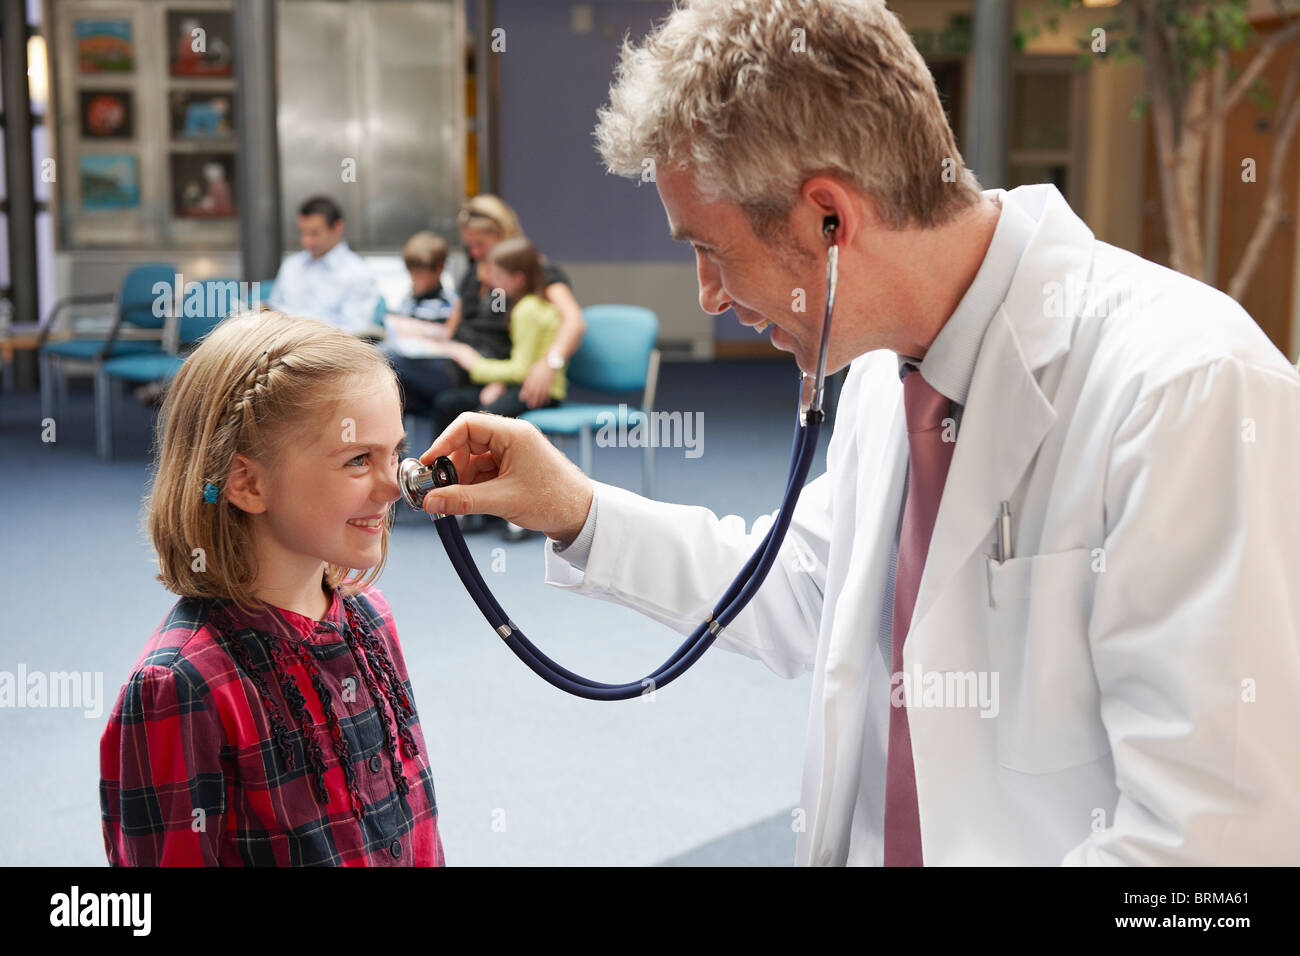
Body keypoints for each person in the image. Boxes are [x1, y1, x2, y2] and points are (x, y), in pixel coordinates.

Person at [414, 0, 1300, 866]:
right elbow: (805, 586)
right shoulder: (887, 362)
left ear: (828, 221)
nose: (709, 297)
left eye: (709, 249)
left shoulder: (1189, 389)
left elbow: (1216, 846)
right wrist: (576, 509)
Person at [100, 311, 446, 866]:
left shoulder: (369, 617)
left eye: (395, 453)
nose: (393, 486)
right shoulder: (179, 686)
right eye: (358, 459)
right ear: (247, 482)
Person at [390, 195, 585, 421]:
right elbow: (451, 330)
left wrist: (548, 364)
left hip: (487, 367)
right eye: (469, 246)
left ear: (502, 235)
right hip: (459, 363)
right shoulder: (473, 275)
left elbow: (574, 322)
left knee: (388, 362)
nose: (474, 253)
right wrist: (418, 332)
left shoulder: (535, 272)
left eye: (480, 244)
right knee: (392, 385)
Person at [267, 195, 382, 334]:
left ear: (337, 227)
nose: (306, 241)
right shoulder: (292, 265)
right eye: (302, 233)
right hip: (284, 346)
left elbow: (354, 331)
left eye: (314, 233)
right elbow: (274, 311)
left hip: (328, 351)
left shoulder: (358, 273)